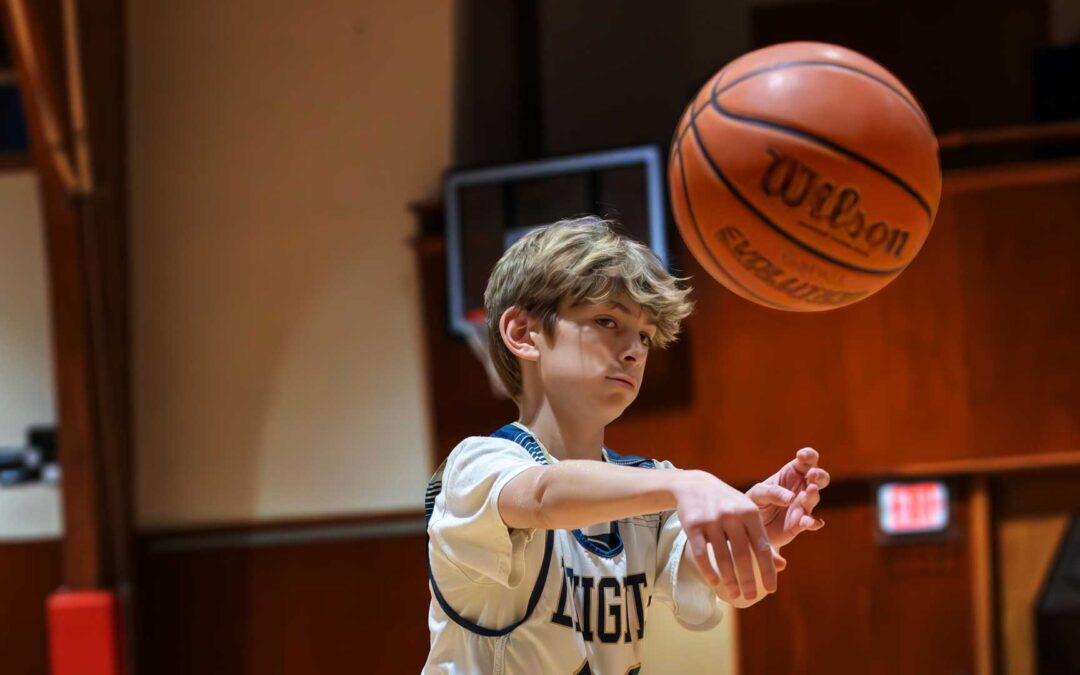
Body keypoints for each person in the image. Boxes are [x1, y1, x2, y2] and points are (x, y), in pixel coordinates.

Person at [423, 216, 830, 674]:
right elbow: (542, 496)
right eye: (606, 320)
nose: (635, 350)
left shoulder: (650, 492)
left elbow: (729, 584)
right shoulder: (477, 466)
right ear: (523, 334)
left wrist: (745, 531)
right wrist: (688, 485)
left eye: (644, 335)